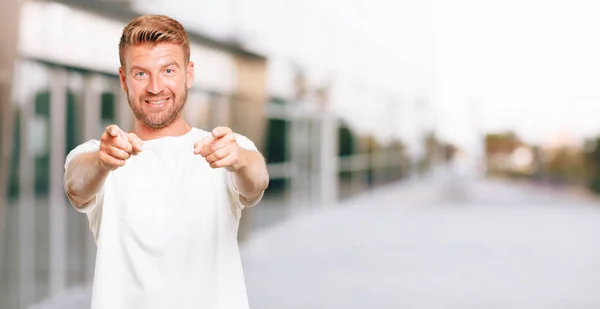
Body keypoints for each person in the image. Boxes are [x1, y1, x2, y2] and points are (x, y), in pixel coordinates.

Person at [63, 14, 269, 309]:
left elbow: (257, 178)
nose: (156, 87)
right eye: (141, 74)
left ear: (189, 74)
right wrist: (102, 161)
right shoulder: (100, 154)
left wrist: (240, 161)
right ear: (124, 80)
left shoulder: (224, 148)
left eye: (168, 70)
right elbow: (76, 185)